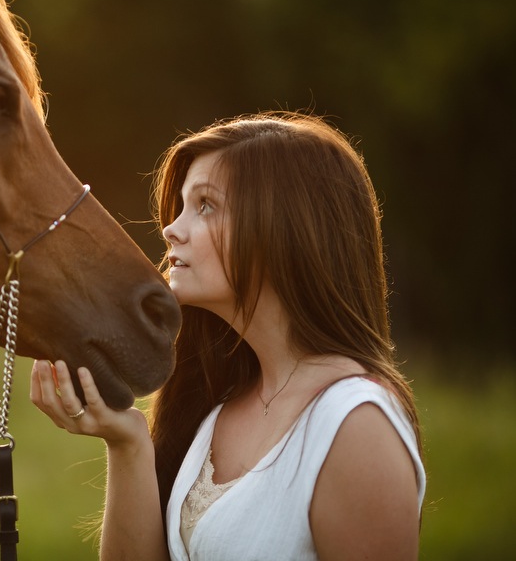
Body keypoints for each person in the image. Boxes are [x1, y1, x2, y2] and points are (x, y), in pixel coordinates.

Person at [30, 112, 425, 560]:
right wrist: (127, 443)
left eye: (205, 206)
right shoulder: (218, 407)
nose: (170, 229)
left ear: (287, 229)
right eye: (181, 206)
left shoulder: (354, 424)